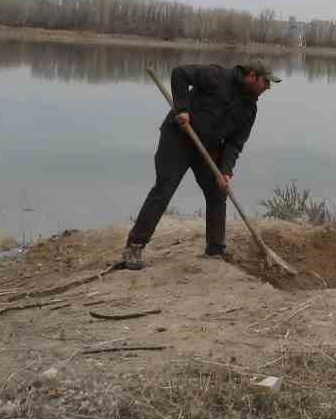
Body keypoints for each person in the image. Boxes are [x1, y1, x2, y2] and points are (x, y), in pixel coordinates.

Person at [119, 60, 279, 269]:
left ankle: (215, 250)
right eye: (265, 82)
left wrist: (225, 171)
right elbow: (179, 73)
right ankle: (134, 247)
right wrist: (182, 109)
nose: (268, 87)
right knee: (164, 189)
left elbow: (234, 143)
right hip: (178, 138)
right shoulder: (217, 75)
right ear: (252, 76)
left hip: (208, 147)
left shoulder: (249, 108)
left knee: (217, 192)